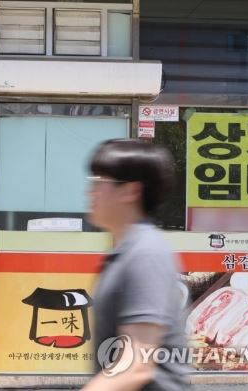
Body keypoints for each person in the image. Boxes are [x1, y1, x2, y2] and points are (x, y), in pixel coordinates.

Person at [82, 139, 188, 391]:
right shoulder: (125, 251)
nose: (91, 192)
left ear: (131, 191)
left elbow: (135, 366)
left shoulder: (146, 253)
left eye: (99, 183)